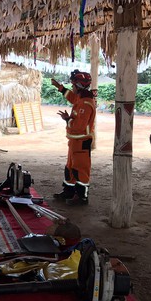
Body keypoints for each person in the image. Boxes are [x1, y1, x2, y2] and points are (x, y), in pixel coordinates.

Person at [50, 70, 96, 206]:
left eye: (74, 85)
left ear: (79, 86)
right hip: (75, 141)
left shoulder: (86, 104)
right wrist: (59, 87)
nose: (72, 87)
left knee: (80, 170)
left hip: (82, 141)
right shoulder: (81, 98)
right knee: (70, 167)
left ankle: (82, 197)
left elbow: (79, 126)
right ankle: (69, 192)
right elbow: (71, 97)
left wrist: (67, 119)